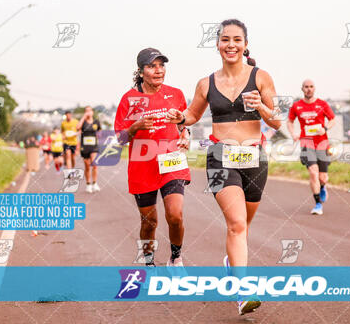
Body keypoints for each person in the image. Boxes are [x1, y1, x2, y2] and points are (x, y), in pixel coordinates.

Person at [166, 19, 281, 315]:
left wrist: (262, 107)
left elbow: (278, 121)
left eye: (237, 40)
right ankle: (243, 293)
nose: (231, 45)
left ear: (245, 45)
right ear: (217, 44)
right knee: (237, 224)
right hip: (220, 157)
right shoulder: (206, 83)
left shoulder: (261, 77)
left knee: (243, 226)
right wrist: (179, 117)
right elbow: (192, 115)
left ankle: (232, 263)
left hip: (255, 158)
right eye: (225, 39)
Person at [114, 48, 190, 267]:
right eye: (151, 66)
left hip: (171, 161)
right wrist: (135, 127)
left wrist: (186, 135)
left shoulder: (175, 94)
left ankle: (176, 258)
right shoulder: (129, 99)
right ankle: (148, 263)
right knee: (149, 222)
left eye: (161, 65)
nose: (158, 70)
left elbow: (185, 123)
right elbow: (119, 139)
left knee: (175, 215)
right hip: (142, 167)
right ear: (140, 71)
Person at [287, 79, 336, 215]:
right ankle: (318, 204)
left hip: (322, 144)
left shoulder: (322, 104)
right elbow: (289, 121)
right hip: (306, 144)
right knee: (313, 173)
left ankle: (323, 187)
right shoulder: (297, 106)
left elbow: (333, 119)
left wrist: (325, 128)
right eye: (306, 87)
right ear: (302, 89)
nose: (309, 89)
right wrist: (293, 134)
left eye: (311, 87)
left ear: (314, 89)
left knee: (322, 177)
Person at [77, 106, 102, 193]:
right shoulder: (83, 122)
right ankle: (88, 184)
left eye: (89, 111)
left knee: (94, 164)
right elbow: (77, 127)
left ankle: (95, 183)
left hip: (94, 146)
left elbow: (100, 132)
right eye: (86, 111)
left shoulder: (96, 122)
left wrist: (99, 136)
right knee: (87, 166)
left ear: (92, 112)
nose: (88, 112)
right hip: (85, 146)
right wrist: (83, 117)